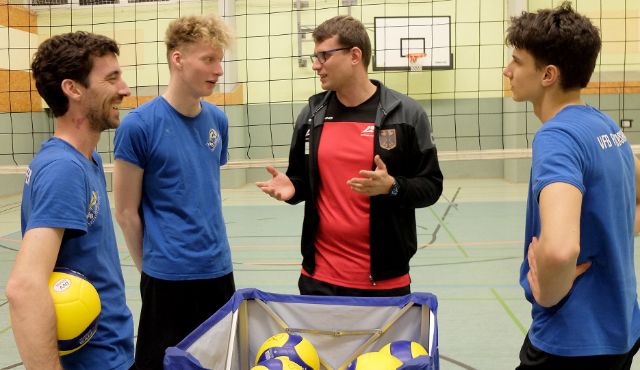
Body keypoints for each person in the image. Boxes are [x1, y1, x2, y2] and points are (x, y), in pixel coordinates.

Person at [256, 15, 443, 297]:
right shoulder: (312, 116)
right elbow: (301, 179)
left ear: (355, 55)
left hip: (384, 282)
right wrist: (293, 187)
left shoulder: (406, 114)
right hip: (318, 279)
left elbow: (431, 186)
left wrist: (392, 187)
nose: (316, 65)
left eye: (324, 56)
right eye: (315, 56)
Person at [503, 3, 640, 369]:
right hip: (619, 330)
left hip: (570, 340)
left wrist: (547, 292)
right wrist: (615, 226)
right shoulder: (605, 126)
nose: (508, 70)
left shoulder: (556, 138)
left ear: (548, 74)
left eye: (517, 61)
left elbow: (561, 250)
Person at [5, 31, 134, 370]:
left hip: (111, 352)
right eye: (112, 78)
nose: (125, 89)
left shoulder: (83, 159)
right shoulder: (63, 168)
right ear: (73, 89)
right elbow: (24, 288)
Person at [113, 15, 235, 370]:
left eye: (219, 60)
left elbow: (202, 189)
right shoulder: (138, 126)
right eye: (209, 59)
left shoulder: (218, 121)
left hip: (218, 270)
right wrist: (151, 266)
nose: (219, 70)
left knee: (216, 362)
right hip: (167, 277)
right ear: (178, 59)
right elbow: (124, 212)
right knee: (159, 364)